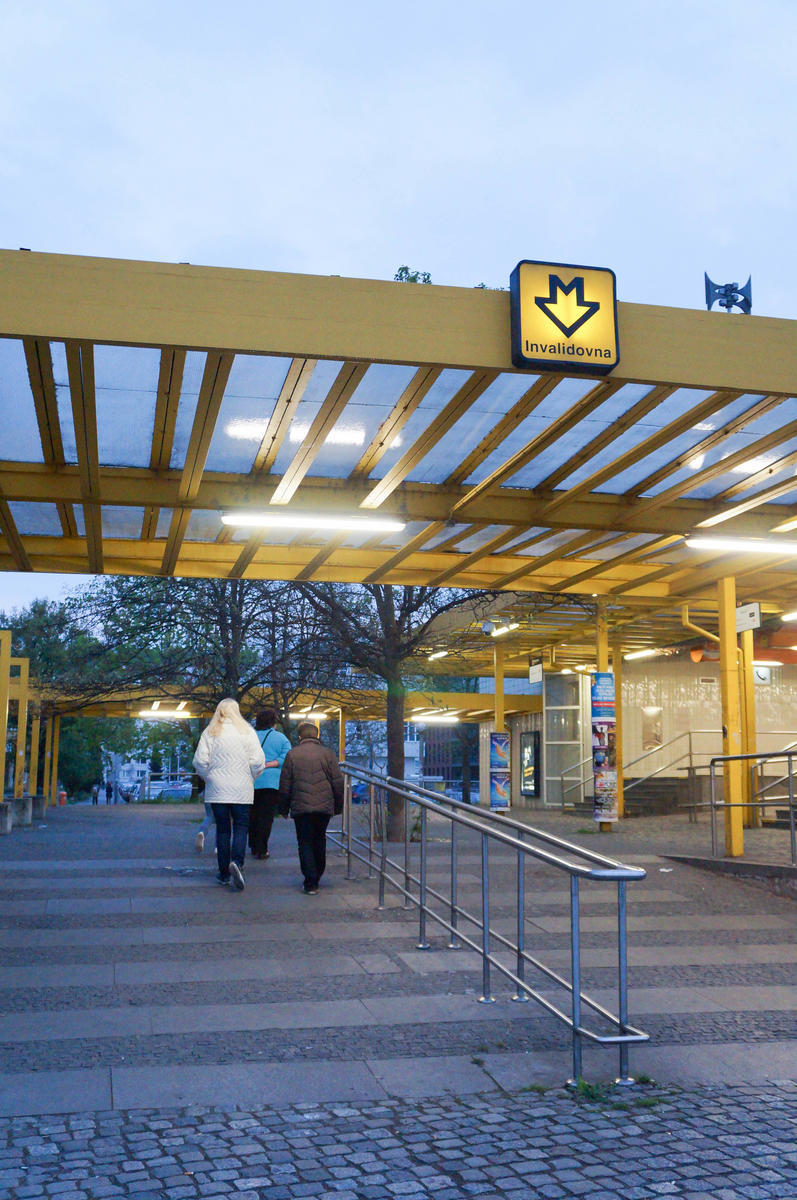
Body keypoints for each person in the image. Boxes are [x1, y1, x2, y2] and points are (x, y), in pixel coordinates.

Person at [192, 699, 265, 890]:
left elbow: (199, 761)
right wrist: (251, 777)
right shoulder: (248, 731)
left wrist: (210, 778)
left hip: (217, 790)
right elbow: (258, 761)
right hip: (242, 788)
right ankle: (237, 863)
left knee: (223, 830)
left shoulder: (210, 732)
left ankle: (223, 872)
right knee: (241, 827)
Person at [278, 721, 343, 895]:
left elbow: (285, 784)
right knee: (319, 839)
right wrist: (338, 806)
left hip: (301, 806)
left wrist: (283, 808)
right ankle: (318, 873)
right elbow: (337, 782)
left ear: (299, 736)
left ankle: (310, 881)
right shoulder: (328, 754)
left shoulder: (292, 755)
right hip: (324, 806)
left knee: (304, 841)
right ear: (317, 735)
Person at [250, 708, 291, 860]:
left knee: (252, 815)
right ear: (274, 722)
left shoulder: (249, 737)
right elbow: (287, 757)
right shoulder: (281, 738)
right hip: (271, 783)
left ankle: (253, 844)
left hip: (250, 781)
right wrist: (271, 764)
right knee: (266, 817)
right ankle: (262, 849)